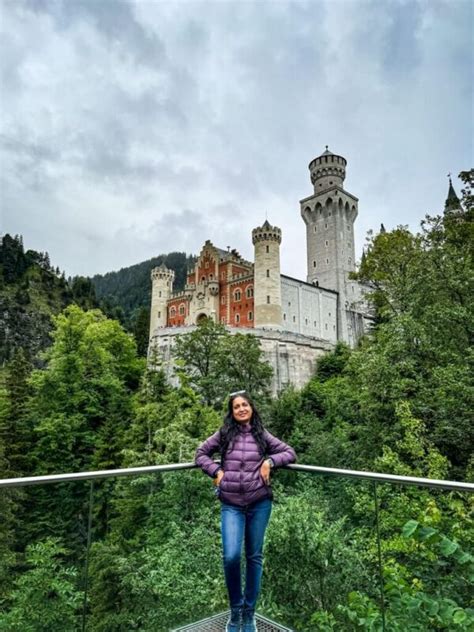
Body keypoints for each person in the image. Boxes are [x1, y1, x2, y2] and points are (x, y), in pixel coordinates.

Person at [195, 390, 296, 632]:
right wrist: (216, 472)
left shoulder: (262, 434)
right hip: (231, 504)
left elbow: (290, 453)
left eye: (245, 405)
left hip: (259, 502)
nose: (241, 409)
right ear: (231, 412)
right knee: (231, 557)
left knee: (254, 557)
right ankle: (235, 610)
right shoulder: (224, 434)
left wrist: (270, 462)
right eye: (236, 406)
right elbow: (201, 454)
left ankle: (249, 614)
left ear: (252, 408)